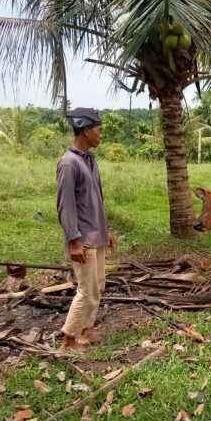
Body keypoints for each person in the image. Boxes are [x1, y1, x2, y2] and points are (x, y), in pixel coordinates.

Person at [56, 107, 116, 353]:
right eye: (99, 130)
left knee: (98, 285)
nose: (101, 135)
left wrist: (107, 231)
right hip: (83, 239)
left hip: (97, 234)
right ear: (85, 130)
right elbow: (65, 206)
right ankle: (68, 340)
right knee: (86, 291)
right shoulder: (69, 164)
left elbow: (97, 200)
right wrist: (73, 241)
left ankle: (86, 330)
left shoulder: (90, 160)